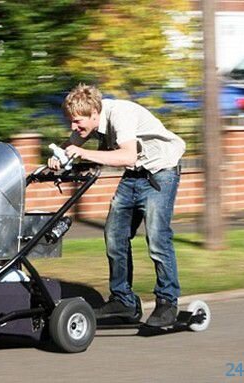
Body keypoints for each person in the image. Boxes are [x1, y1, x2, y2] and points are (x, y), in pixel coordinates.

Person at [48, 84, 185, 327]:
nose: (73, 127)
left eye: (77, 121)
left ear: (94, 113)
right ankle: (123, 300)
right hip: (134, 176)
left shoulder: (120, 115)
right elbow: (71, 147)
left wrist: (83, 152)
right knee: (114, 235)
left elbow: (127, 156)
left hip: (160, 172)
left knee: (157, 237)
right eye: (71, 121)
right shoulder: (90, 119)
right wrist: (58, 158)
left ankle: (167, 302)